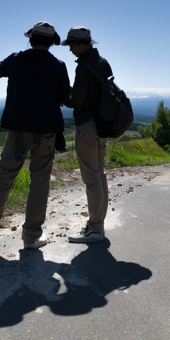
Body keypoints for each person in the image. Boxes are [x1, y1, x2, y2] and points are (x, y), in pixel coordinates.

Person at [0, 21, 70, 250]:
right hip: (46, 132)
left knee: (3, 180)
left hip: (17, 131)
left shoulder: (17, 59)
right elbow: (66, 97)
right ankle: (31, 238)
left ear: (30, 39)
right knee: (39, 183)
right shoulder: (58, 65)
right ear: (50, 43)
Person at [62, 26, 112, 244]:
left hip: (87, 126)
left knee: (91, 177)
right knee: (100, 174)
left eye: (72, 45)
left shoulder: (83, 67)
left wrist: (64, 98)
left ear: (82, 45)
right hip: (103, 127)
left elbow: (79, 100)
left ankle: (94, 229)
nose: (70, 49)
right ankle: (98, 225)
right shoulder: (103, 63)